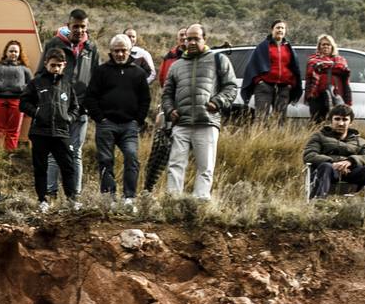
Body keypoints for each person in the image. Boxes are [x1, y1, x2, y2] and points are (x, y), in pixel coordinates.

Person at [147, 23, 239, 201]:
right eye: (188, 38)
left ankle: (200, 203)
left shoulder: (218, 60)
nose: (191, 42)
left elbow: (231, 87)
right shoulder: (176, 65)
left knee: (205, 167)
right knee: (175, 164)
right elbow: (166, 94)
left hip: (207, 121)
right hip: (181, 123)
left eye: (196, 38)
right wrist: (170, 110)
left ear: (205, 39)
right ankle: (173, 202)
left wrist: (217, 102)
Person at [83, 32, 151, 201]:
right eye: (116, 50)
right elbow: (90, 97)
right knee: (106, 160)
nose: (120, 54)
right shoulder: (101, 71)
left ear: (130, 50)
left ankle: (129, 197)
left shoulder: (138, 73)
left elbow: (145, 99)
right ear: (111, 51)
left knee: (132, 158)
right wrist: (100, 118)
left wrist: (138, 121)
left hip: (129, 125)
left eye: (123, 50)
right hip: (107, 124)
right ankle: (109, 198)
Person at [40, 8, 95, 196]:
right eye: (76, 26)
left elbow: (95, 79)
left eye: (83, 27)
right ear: (68, 25)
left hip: (80, 109)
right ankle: (50, 194)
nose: (79, 30)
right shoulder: (54, 44)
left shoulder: (91, 48)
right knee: (53, 154)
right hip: (56, 109)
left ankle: (75, 196)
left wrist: (87, 105)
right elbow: (41, 74)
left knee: (76, 153)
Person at [22, 46, 80, 207]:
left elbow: (75, 107)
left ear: (64, 65)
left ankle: (72, 200)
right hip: (40, 132)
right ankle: (42, 201)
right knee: (41, 168)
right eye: (52, 65)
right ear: (46, 63)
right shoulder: (36, 83)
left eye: (59, 65)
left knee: (68, 167)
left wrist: (69, 118)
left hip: (61, 132)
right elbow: (23, 103)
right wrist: (37, 112)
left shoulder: (67, 85)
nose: (55, 68)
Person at [304, 108, 365, 209]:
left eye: (345, 120)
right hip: (329, 172)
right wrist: (333, 163)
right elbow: (309, 155)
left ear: (351, 122)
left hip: (352, 173)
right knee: (325, 166)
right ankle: (317, 207)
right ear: (331, 121)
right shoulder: (319, 137)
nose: (341, 123)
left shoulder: (360, 141)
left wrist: (350, 161)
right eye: (337, 119)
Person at [241, 19, 301, 122]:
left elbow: (294, 67)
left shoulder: (288, 48)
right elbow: (253, 65)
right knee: (261, 118)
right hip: (264, 87)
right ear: (272, 30)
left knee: (280, 120)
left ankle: (277, 138)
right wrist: (259, 81)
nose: (280, 30)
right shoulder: (263, 47)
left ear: (285, 31)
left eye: (282, 28)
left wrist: (290, 83)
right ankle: (260, 137)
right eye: (278, 27)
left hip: (283, 88)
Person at [0, 39, 30, 151]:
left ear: (19, 53)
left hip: (17, 102)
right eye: (11, 51)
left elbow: (32, 86)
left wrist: (22, 88)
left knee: (13, 131)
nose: (13, 53)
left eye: (16, 51)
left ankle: (10, 155)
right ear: (6, 52)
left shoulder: (24, 68)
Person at [304, 35, 352, 122]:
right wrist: (330, 66)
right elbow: (311, 70)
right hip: (317, 95)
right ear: (319, 46)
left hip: (336, 94)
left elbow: (343, 68)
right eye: (323, 44)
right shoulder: (313, 59)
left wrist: (324, 66)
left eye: (328, 44)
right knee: (316, 120)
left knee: (336, 119)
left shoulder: (340, 59)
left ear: (332, 46)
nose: (325, 46)